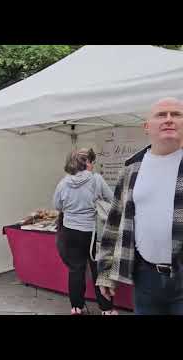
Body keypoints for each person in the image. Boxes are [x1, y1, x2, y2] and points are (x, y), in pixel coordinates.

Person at [97, 98, 183, 315]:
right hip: (146, 277)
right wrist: (106, 271)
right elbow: (113, 224)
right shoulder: (131, 168)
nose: (169, 120)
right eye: (161, 115)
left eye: (176, 114)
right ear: (147, 126)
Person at [54, 148, 117, 315]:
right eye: (92, 161)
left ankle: (76, 307)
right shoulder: (96, 179)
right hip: (92, 232)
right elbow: (112, 199)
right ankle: (106, 309)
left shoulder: (63, 182)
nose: (93, 165)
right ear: (86, 163)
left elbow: (57, 206)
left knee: (76, 269)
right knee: (99, 269)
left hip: (69, 231)